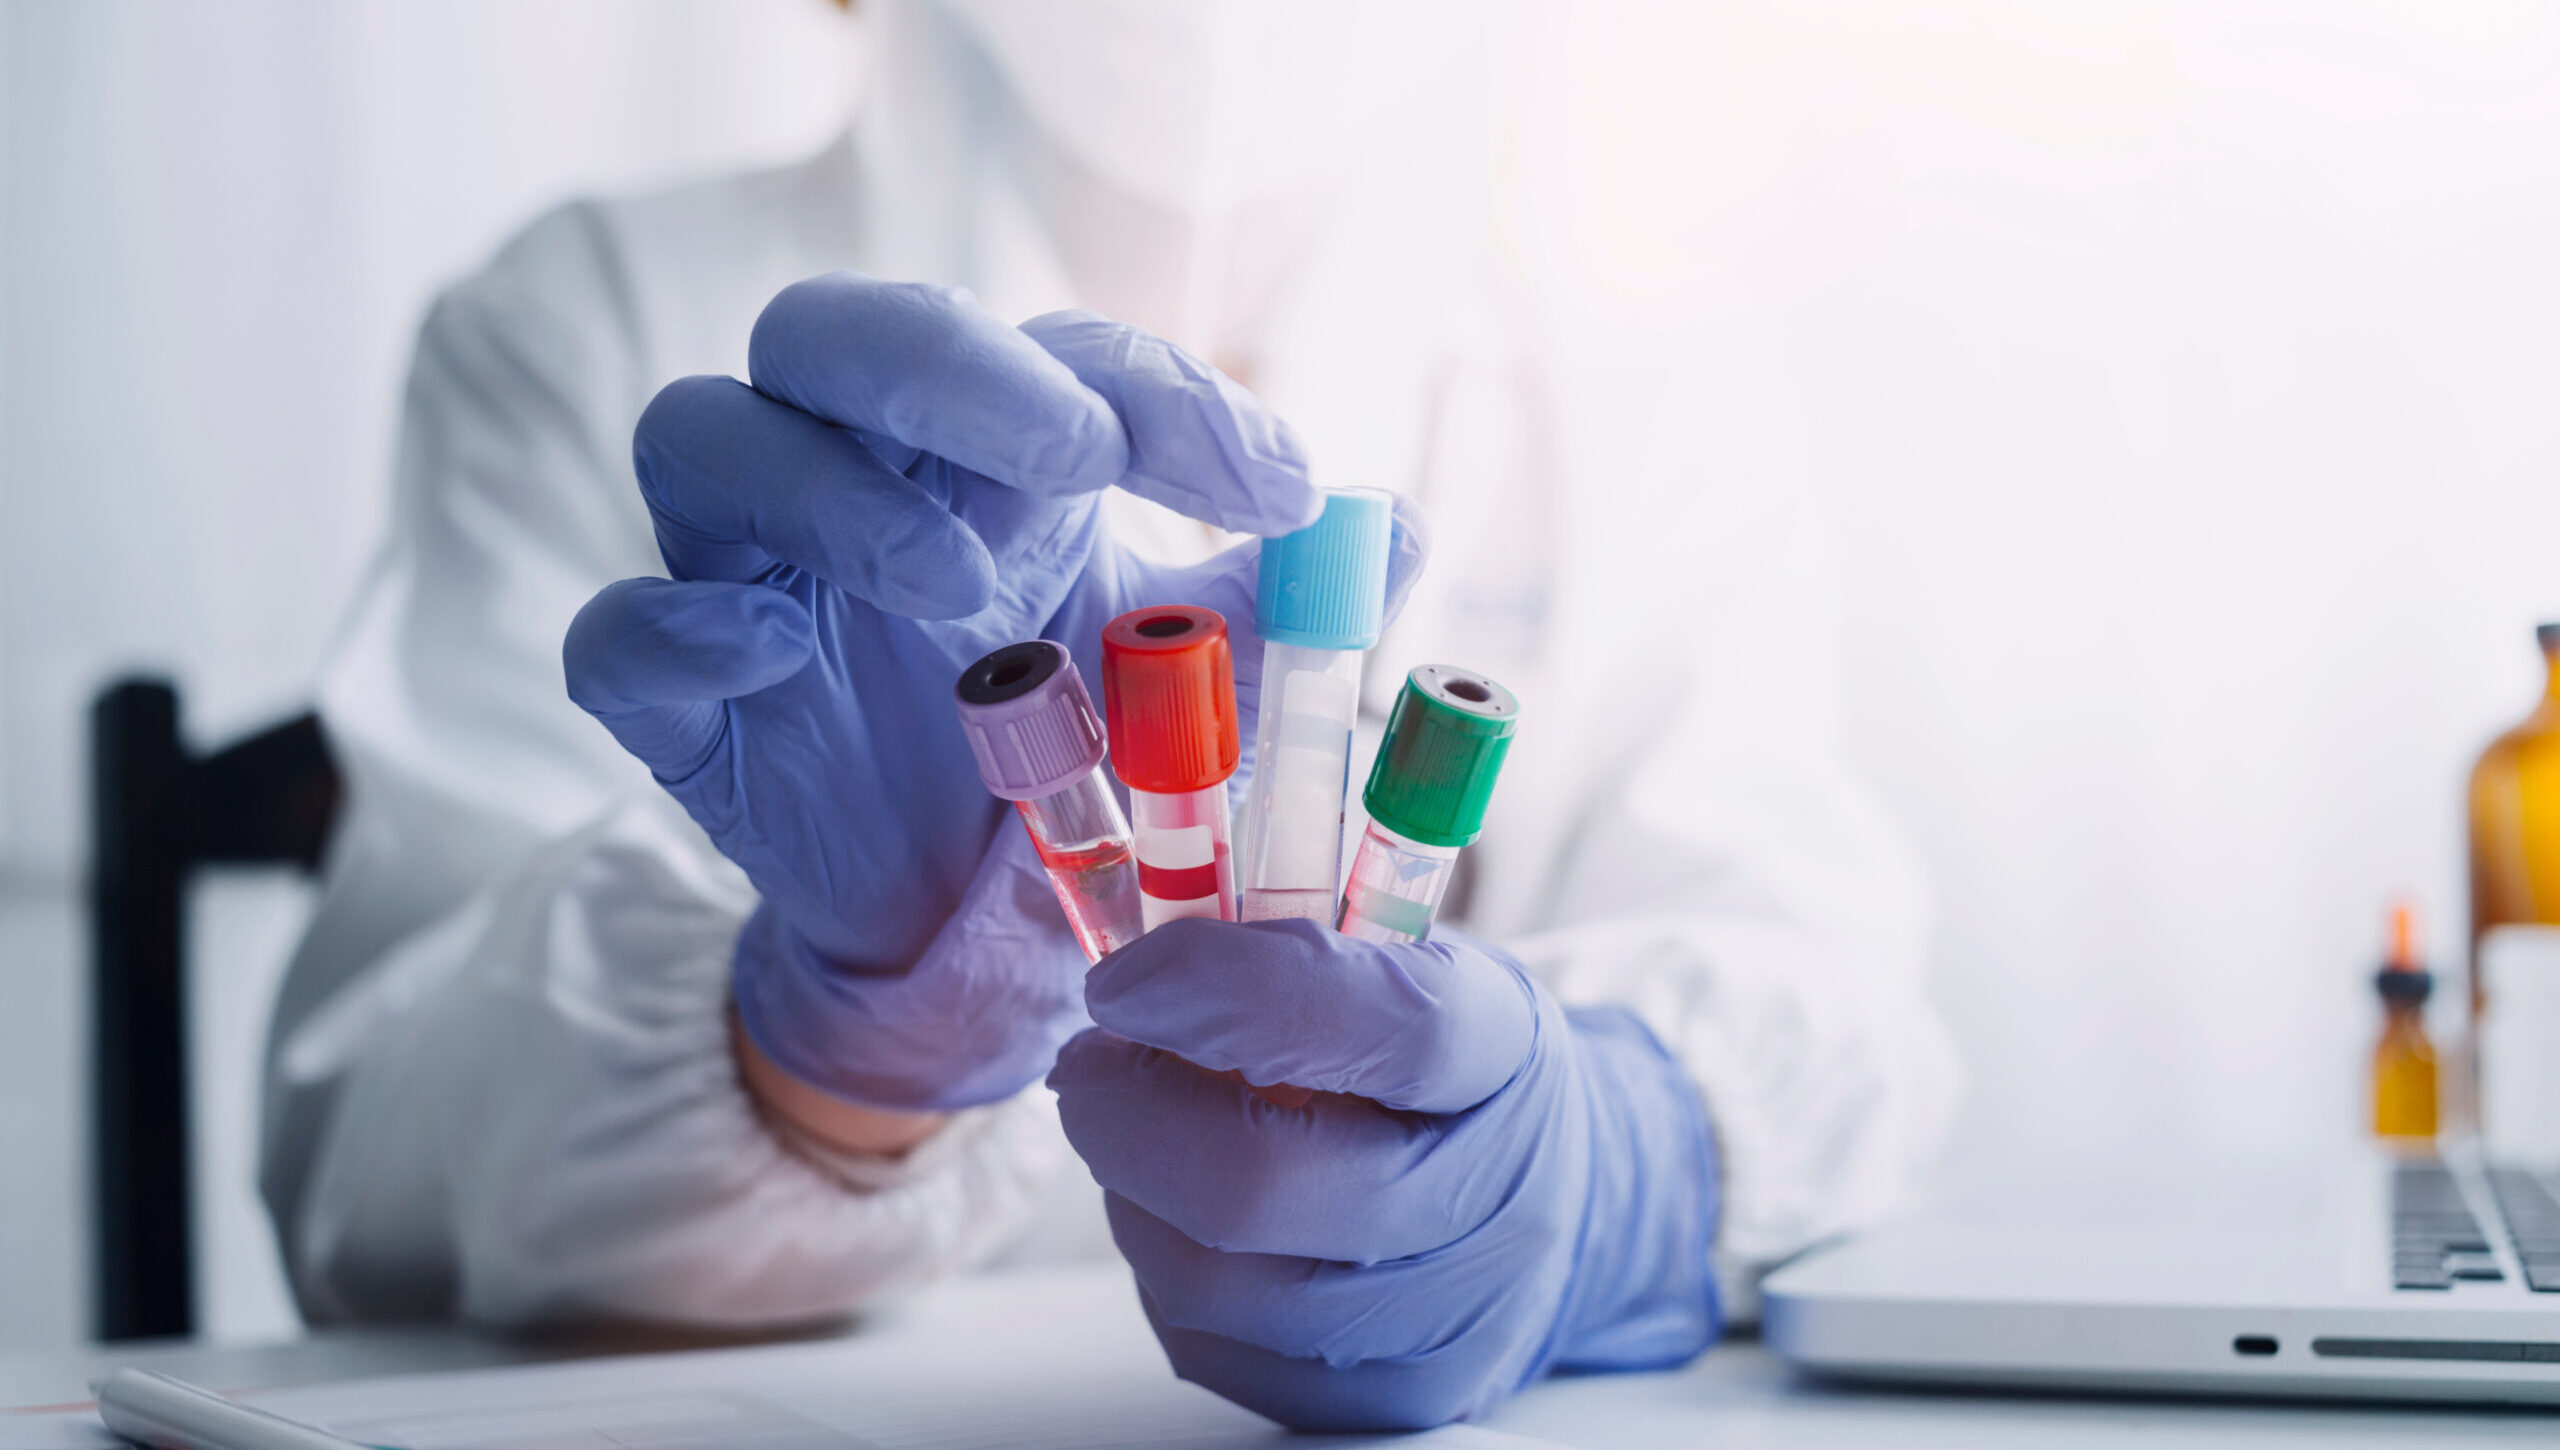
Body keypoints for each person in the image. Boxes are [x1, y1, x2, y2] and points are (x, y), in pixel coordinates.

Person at [258, 0, 1958, 1429]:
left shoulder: (1649, 378)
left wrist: (1606, 1164)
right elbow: (366, 1182)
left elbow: (1841, 1008)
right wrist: (837, 1033)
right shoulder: (591, 319)